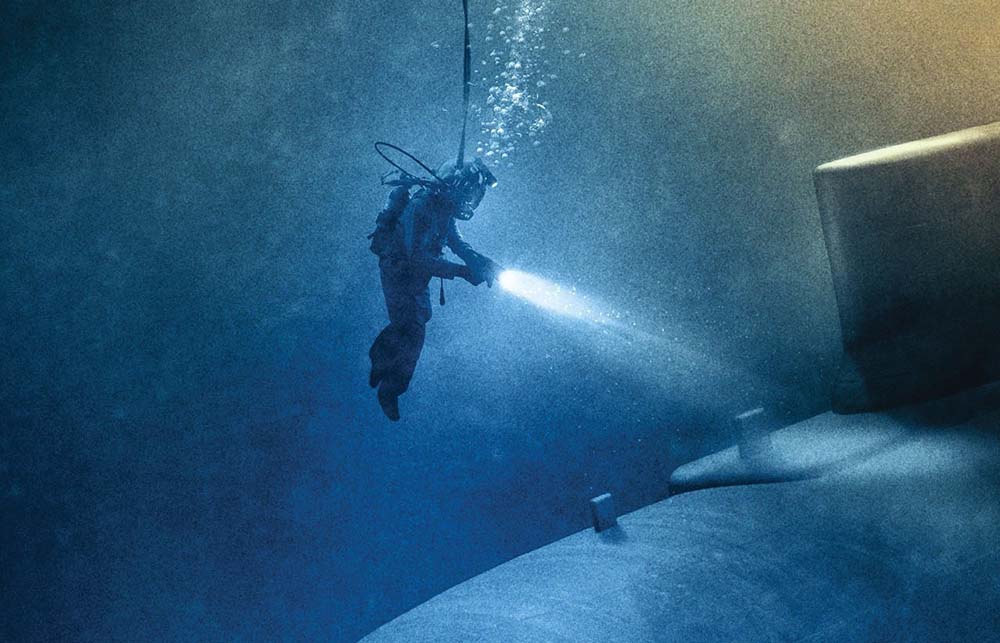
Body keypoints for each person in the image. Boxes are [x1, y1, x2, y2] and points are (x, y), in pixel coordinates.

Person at [368, 158, 501, 421]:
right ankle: (388, 388)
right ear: (457, 186)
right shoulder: (421, 207)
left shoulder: (443, 209)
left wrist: (482, 262)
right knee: (413, 331)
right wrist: (463, 272)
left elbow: (457, 242)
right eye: (470, 193)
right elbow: (416, 258)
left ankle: (380, 364)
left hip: (415, 275)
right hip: (398, 271)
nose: (470, 201)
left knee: (417, 321)